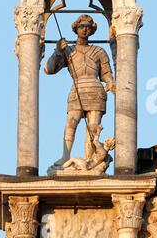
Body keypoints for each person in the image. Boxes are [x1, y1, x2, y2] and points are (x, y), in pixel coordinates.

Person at [44, 15, 116, 173]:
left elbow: (106, 73)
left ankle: (89, 159)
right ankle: (65, 156)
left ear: (92, 30)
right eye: (82, 26)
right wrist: (57, 51)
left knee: (93, 128)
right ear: (76, 28)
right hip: (77, 88)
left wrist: (110, 83)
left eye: (88, 27)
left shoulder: (99, 51)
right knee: (71, 122)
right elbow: (49, 69)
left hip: (95, 90)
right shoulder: (68, 50)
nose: (85, 29)